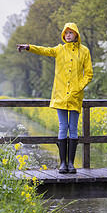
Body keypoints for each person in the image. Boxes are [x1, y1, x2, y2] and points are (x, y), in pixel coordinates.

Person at [17, 23, 93, 173]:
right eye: (66, 33)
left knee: (73, 128)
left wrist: (78, 88)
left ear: (76, 34)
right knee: (62, 127)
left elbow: (89, 74)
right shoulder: (59, 50)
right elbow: (44, 50)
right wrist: (28, 47)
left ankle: (71, 164)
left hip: (75, 96)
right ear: (64, 35)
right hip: (59, 95)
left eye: (71, 33)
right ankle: (62, 164)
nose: (68, 35)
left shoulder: (84, 51)